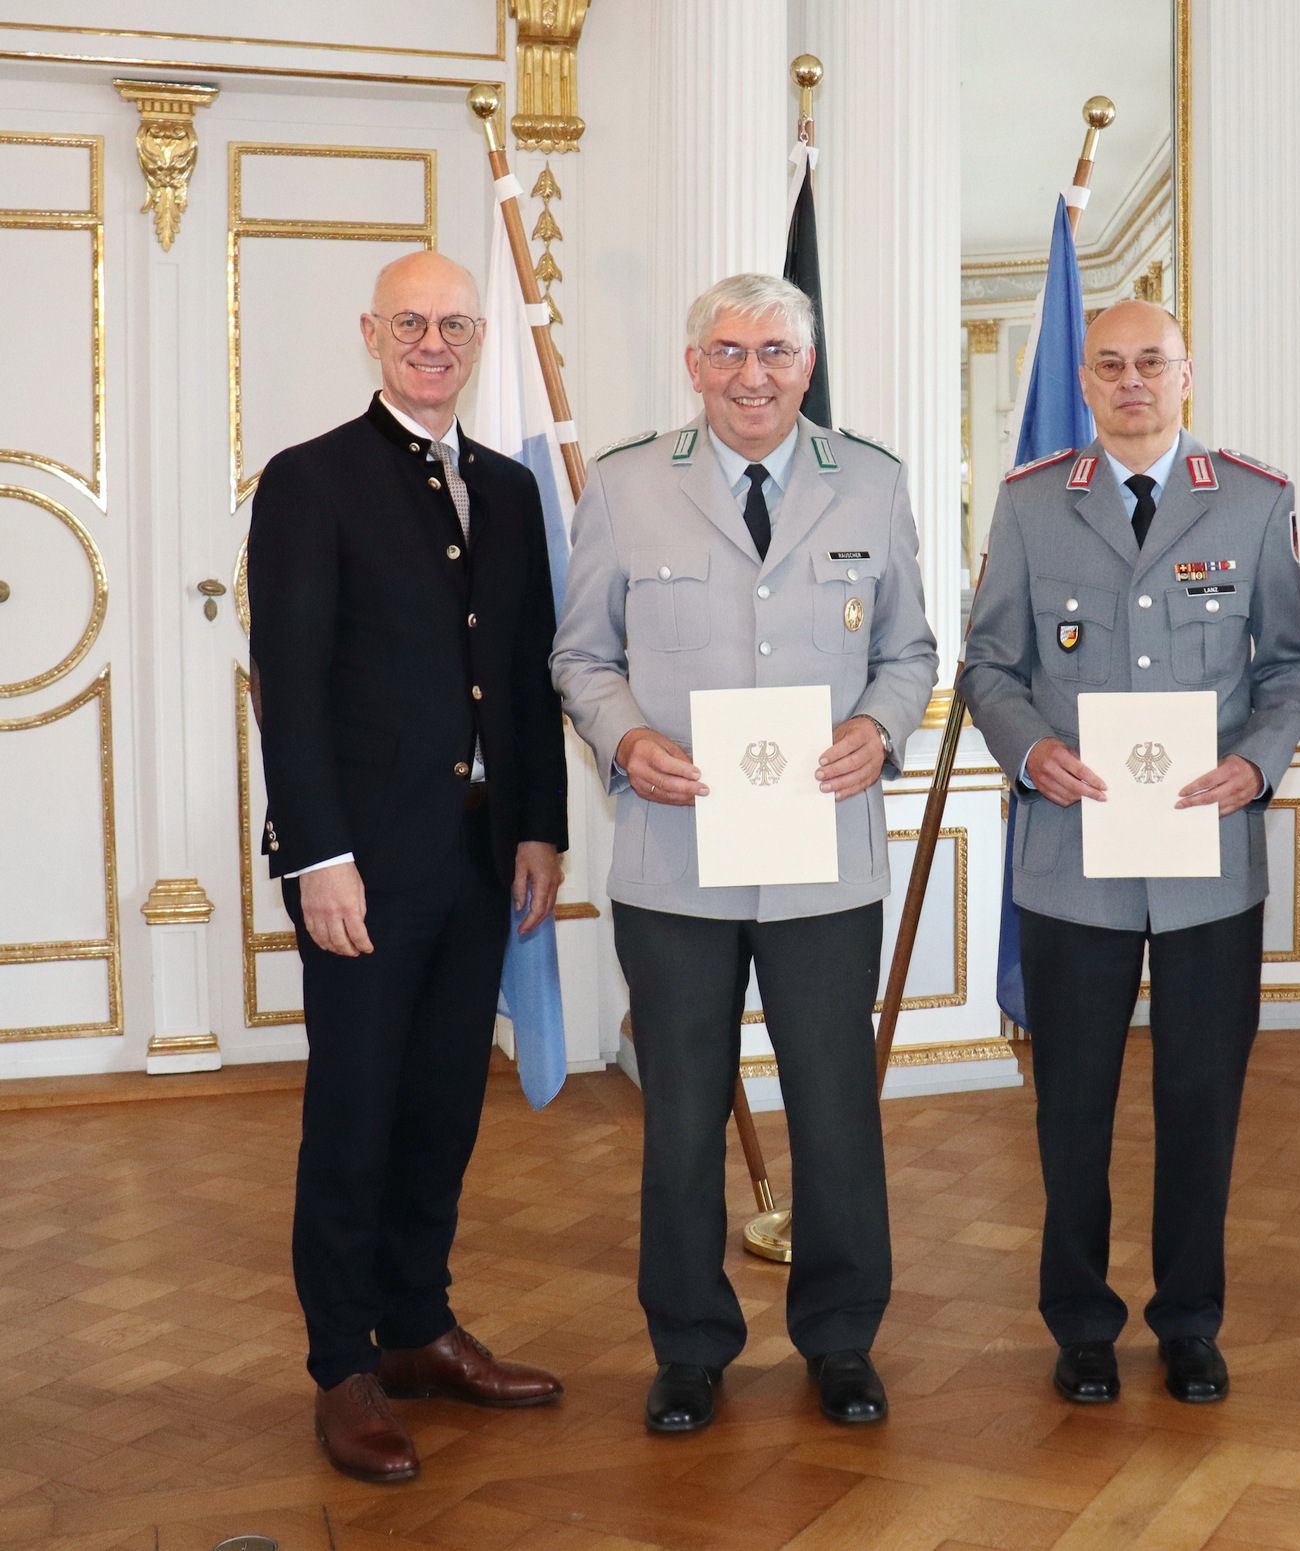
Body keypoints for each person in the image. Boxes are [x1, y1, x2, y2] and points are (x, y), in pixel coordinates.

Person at [552, 273, 937, 1435]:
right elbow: (581, 658)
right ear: (694, 365)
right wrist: (626, 741)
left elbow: (912, 650)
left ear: (807, 365)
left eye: (775, 351)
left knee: (836, 1113)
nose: (752, 374)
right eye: (728, 351)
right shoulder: (625, 487)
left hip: (823, 859)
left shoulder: (869, 481)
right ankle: (689, 1346)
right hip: (677, 855)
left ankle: (841, 1340)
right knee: (677, 1117)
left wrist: (881, 726)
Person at [959, 299, 1300, 1407]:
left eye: (1150, 363)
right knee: (1072, 1105)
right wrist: (1032, 753)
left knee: (1203, 1102)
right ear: (1086, 381)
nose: (1130, 382)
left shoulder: (1254, 502)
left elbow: (1293, 671)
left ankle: (1189, 1320)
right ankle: (1079, 1320)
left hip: (1210, 856)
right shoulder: (1031, 506)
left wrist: (1256, 764)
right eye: (1109, 365)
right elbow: (988, 667)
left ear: (1185, 374)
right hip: (1074, 850)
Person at [247, 251, 570, 1483]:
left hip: (483, 859)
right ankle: (344, 1364)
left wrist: (539, 825)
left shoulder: (505, 484)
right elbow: (293, 688)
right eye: (412, 323)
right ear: (373, 334)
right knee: (356, 1113)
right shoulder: (311, 480)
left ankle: (420, 1327)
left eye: (455, 324)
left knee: (444, 1105)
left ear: (479, 337)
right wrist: (318, 854)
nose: (435, 342)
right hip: (363, 869)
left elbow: (526, 670)